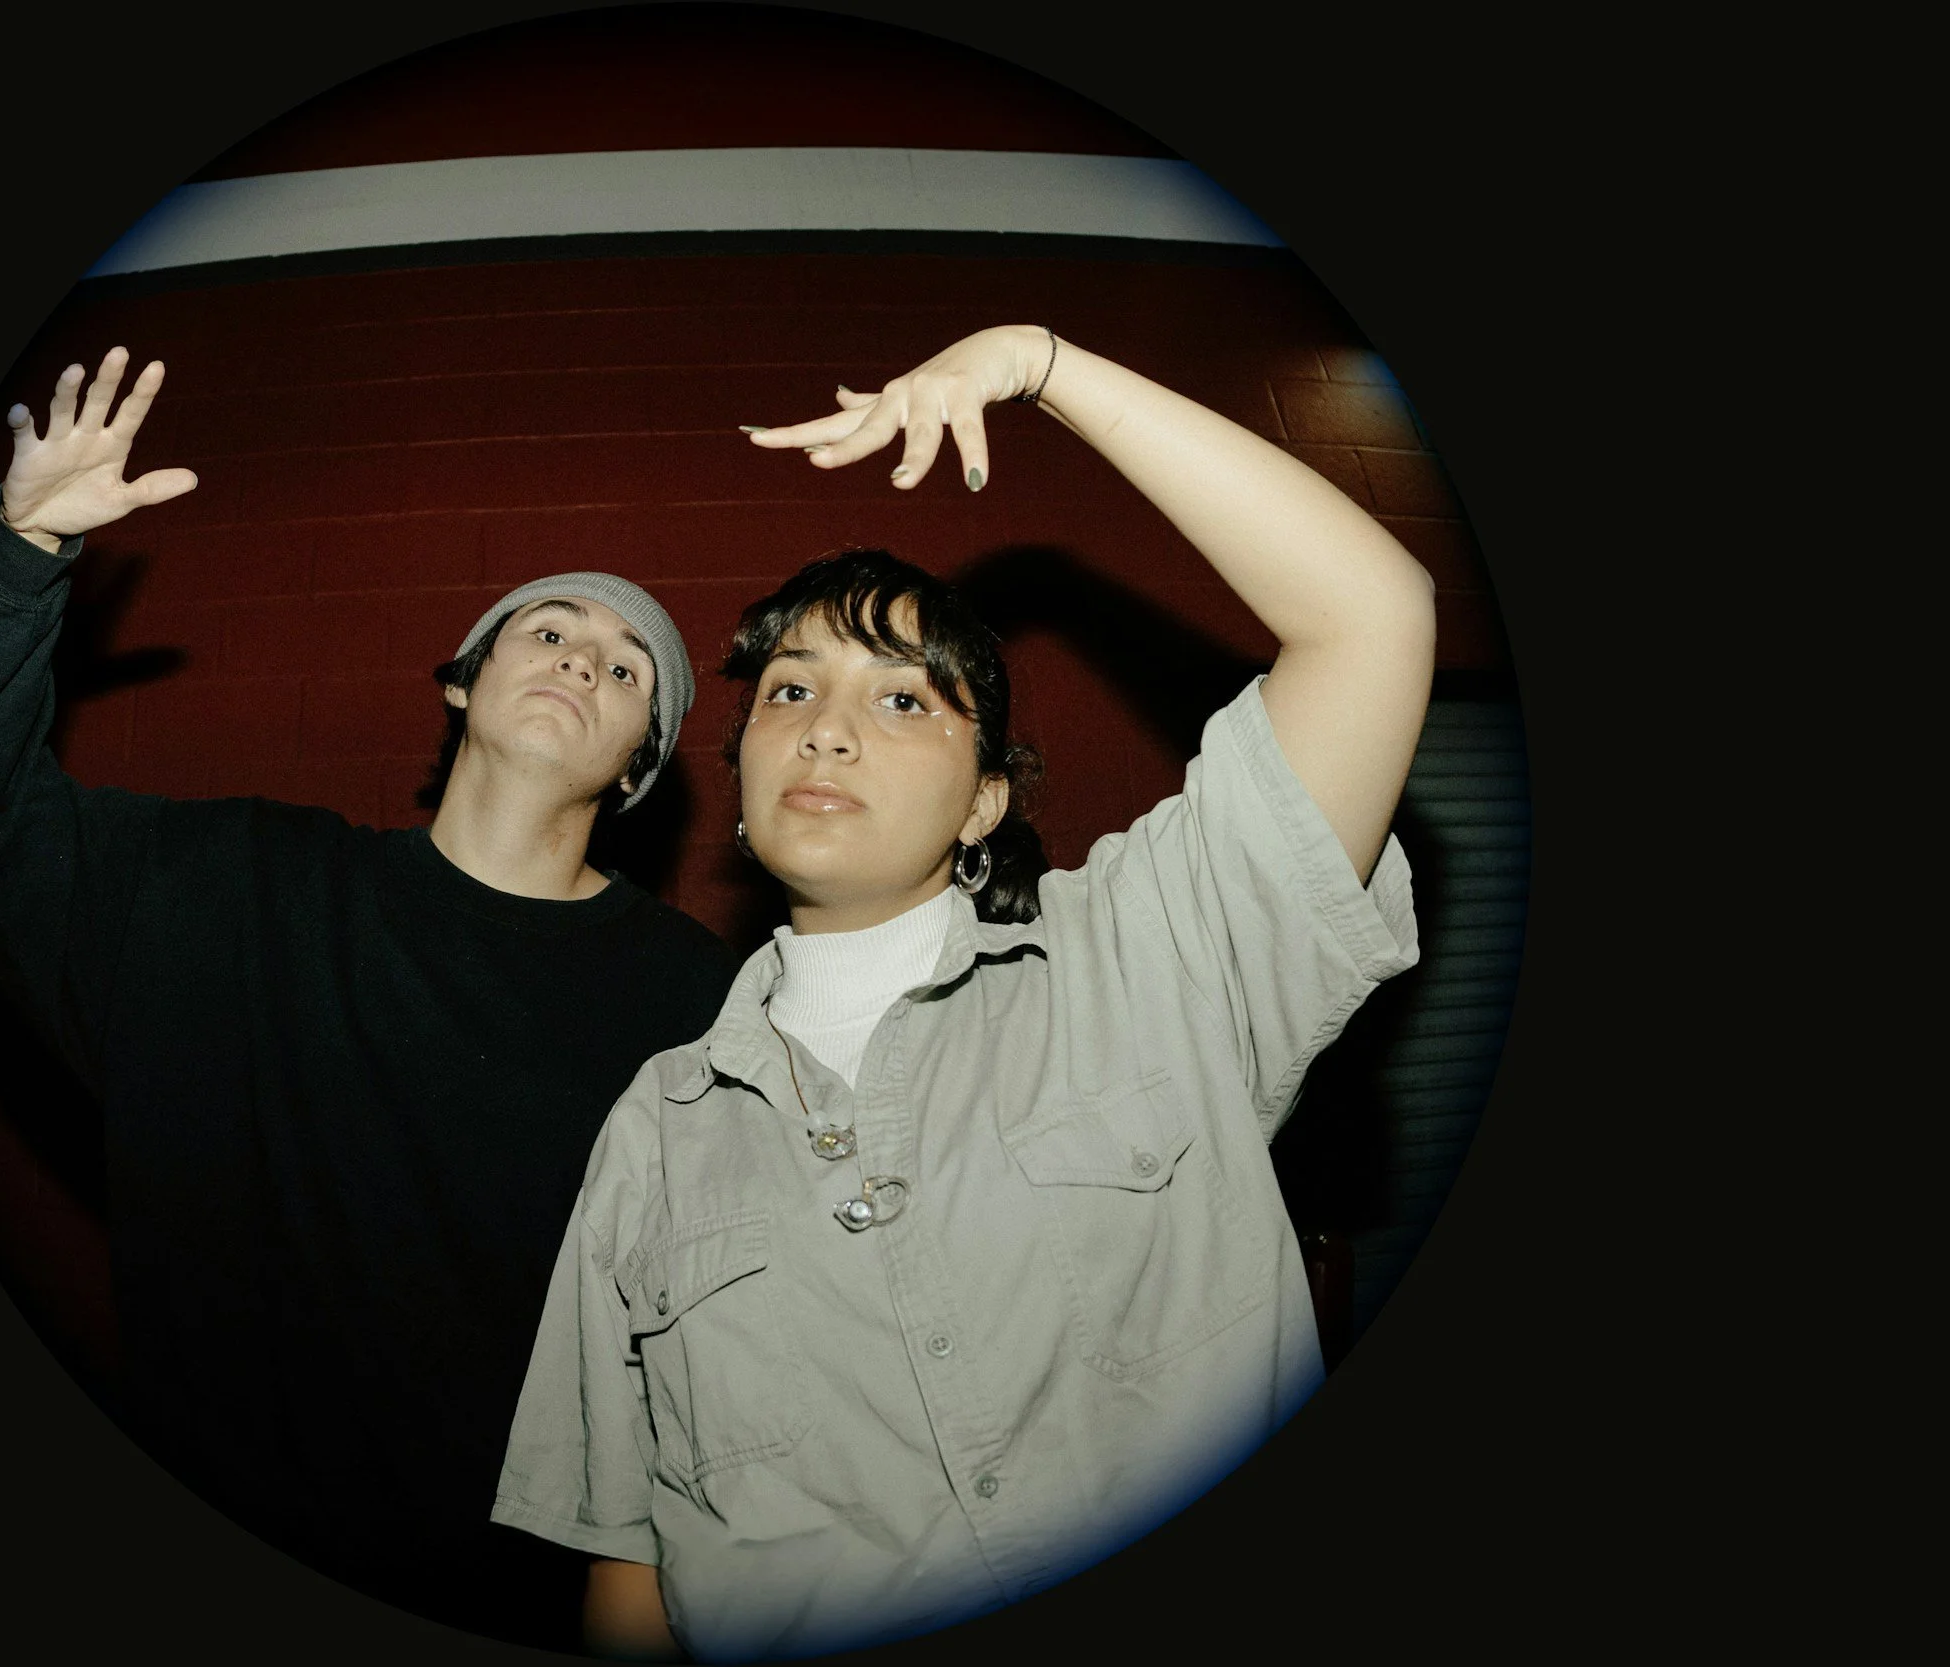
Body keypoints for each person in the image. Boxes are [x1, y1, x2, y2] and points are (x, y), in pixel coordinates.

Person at [492, 324, 1436, 1661]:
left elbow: (1371, 618)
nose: (825, 721)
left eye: (904, 701)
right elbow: (629, 1562)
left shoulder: (1149, 951)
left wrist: (1042, 364)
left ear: (988, 798)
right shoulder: (656, 1129)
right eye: (793, 688)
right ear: (745, 775)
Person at [0, 347, 740, 1651]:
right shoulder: (242, 882)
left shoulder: (704, 1002)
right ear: (464, 681)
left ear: (639, 765)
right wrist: (17, 558)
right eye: (553, 628)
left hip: (523, 1590)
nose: (586, 659)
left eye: (632, 668)